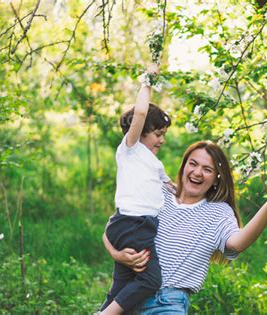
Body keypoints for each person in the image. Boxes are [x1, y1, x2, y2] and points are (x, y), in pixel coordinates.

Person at [103, 141, 267, 314]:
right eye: (193, 164)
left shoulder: (218, 213)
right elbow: (114, 228)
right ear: (184, 166)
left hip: (166, 303)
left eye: (207, 169)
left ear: (216, 178)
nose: (197, 172)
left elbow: (237, 243)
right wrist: (117, 254)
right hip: (125, 296)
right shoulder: (158, 193)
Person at [100, 64, 173, 315]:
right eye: (158, 134)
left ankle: (104, 310)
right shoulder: (130, 149)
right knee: (151, 280)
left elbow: (169, 186)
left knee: (122, 284)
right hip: (134, 224)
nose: (162, 140)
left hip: (133, 224)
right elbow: (141, 112)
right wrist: (148, 80)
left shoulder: (154, 162)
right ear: (141, 132)